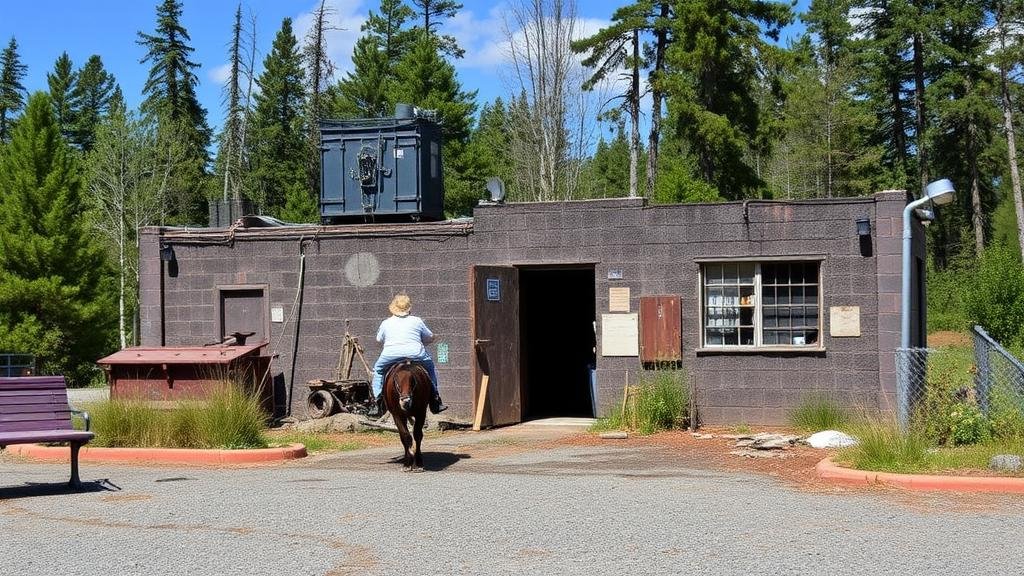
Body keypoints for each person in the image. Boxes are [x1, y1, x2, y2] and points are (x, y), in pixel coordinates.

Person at [370, 293, 447, 416]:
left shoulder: (386, 323)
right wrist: (423, 341)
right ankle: (435, 400)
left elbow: (379, 340)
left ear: (393, 308)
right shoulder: (417, 321)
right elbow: (430, 337)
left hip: (390, 355)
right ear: (409, 308)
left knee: (378, 370)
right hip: (416, 354)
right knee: (430, 369)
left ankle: (377, 402)